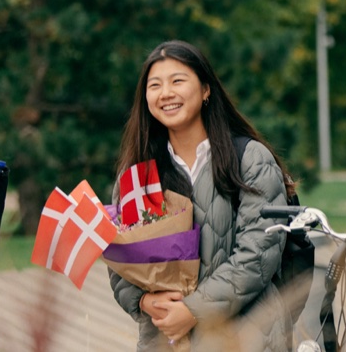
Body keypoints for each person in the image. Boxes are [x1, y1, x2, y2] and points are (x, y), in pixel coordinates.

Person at [109, 40, 294, 351]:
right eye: (154, 85)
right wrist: (144, 301)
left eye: (177, 81)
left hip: (248, 338)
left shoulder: (250, 159)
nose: (165, 93)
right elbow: (119, 263)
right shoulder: (138, 177)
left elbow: (258, 256)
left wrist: (193, 310)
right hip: (166, 342)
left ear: (206, 89)